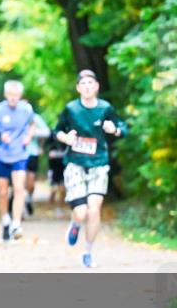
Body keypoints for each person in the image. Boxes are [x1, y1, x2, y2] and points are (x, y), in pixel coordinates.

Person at [54, 69, 128, 269]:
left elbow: (124, 128)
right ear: (78, 88)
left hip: (99, 164)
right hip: (75, 163)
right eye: (83, 83)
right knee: (81, 212)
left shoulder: (105, 108)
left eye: (90, 83)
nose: (87, 86)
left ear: (96, 87)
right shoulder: (71, 109)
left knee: (94, 210)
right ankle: (75, 224)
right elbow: (57, 131)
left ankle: (87, 251)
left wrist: (115, 129)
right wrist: (66, 138)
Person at [0, 81, 36, 241]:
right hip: (0, 155)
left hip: (19, 154)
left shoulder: (26, 109)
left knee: (18, 188)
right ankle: (5, 219)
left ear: (20, 96)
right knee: (2, 191)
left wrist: (28, 137)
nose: (13, 98)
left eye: (16, 95)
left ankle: (16, 223)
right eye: (10, 95)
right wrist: (0, 136)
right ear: (5, 95)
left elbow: (33, 123)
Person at [23, 112, 50, 217]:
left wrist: (32, 133)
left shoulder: (35, 117)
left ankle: (28, 198)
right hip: (17, 154)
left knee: (31, 180)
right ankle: (18, 207)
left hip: (32, 152)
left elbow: (46, 132)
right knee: (19, 181)